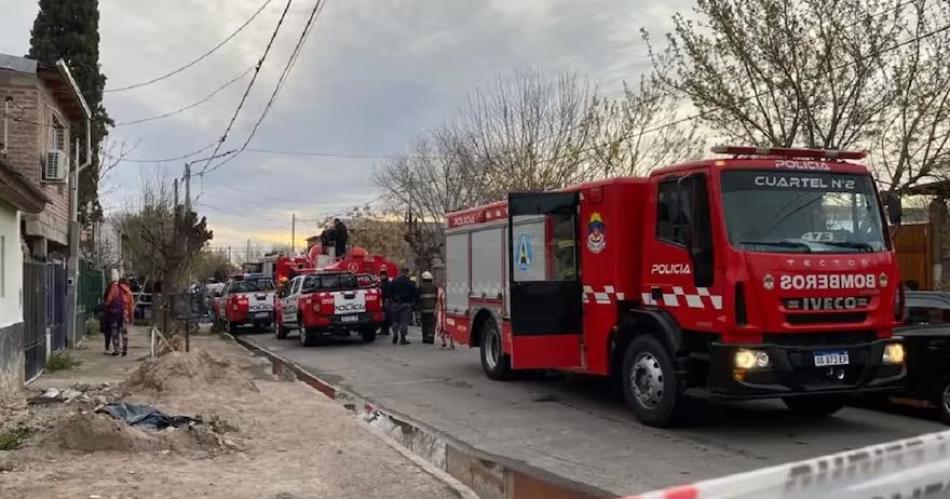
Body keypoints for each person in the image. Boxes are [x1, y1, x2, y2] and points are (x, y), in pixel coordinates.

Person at [102, 272, 134, 356]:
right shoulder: (129, 293)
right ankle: (125, 348)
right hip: (125, 314)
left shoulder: (115, 288)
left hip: (115, 313)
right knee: (124, 332)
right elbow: (131, 307)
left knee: (114, 330)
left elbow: (109, 299)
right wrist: (131, 318)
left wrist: (106, 306)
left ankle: (116, 349)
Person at [388, 268, 417, 345]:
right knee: (404, 322)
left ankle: (395, 335)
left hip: (395, 304)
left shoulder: (394, 281)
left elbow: (389, 291)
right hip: (406, 304)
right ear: (407, 273)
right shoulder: (410, 282)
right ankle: (403, 338)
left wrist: (393, 300)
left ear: (400, 272)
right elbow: (414, 293)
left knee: (395, 321)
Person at [418, 271, 437, 344]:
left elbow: (418, 298)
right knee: (432, 323)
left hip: (423, 309)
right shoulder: (434, 287)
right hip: (432, 308)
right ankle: (431, 335)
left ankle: (425, 337)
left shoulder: (421, 287)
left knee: (424, 323)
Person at [378, 268, 391, 336]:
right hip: (381, 301)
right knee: (383, 316)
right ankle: (383, 329)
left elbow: (388, 292)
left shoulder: (387, 283)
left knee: (386, 316)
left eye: (383, 275)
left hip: (386, 300)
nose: (382, 277)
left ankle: (386, 330)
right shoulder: (381, 283)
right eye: (381, 275)